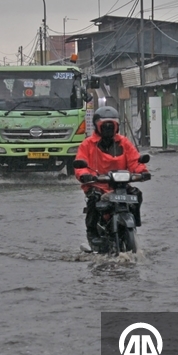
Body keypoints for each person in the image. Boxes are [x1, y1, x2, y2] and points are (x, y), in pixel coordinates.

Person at [74, 106, 150, 248]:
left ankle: (134, 225)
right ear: (98, 126)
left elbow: (134, 160)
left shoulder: (124, 142)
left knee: (136, 194)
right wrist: (85, 175)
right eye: (105, 125)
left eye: (112, 125)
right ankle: (92, 234)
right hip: (98, 185)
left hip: (120, 185)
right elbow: (80, 164)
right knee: (93, 199)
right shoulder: (88, 144)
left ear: (117, 126)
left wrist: (142, 171)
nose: (109, 128)